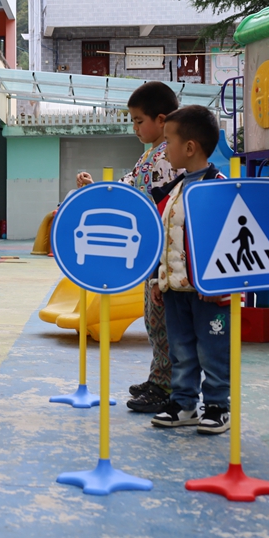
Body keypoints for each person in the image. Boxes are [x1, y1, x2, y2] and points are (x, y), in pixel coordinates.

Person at [78, 81, 178, 413]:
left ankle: (168, 385)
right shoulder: (151, 154)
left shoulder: (170, 156)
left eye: (138, 120)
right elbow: (129, 186)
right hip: (153, 253)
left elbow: (150, 199)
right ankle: (160, 375)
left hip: (166, 252)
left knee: (163, 319)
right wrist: (98, 189)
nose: (133, 127)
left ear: (161, 119)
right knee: (153, 318)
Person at [150, 105, 231, 435]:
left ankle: (216, 405)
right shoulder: (176, 188)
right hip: (175, 290)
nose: (164, 148)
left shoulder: (219, 187)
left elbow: (227, 238)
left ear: (190, 147)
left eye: (168, 141)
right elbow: (166, 238)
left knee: (212, 349)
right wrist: (159, 278)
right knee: (180, 349)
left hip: (208, 292)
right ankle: (184, 403)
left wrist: (220, 284)